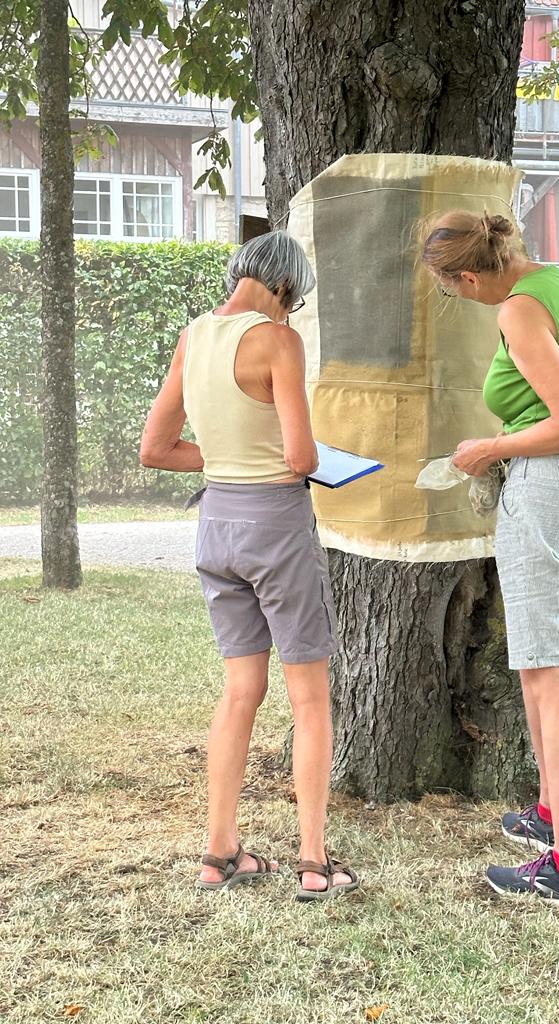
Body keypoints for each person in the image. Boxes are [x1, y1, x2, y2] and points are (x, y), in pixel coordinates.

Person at [419, 211, 559, 910]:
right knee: (543, 665)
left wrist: (490, 448)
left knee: (555, 678)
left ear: (465, 275)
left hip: (553, 488)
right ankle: (549, 814)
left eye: (454, 291)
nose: (464, 300)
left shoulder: (518, 309)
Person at [140, 231, 358, 902]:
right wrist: (341, 461)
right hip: (275, 528)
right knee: (310, 697)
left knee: (240, 692)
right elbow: (300, 458)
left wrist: (228, 456)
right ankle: (316, 864)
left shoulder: (194, 335)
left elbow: (156, 448)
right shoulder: (278, 341)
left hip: (217, 528)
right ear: (285, 288)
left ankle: (219, 852)